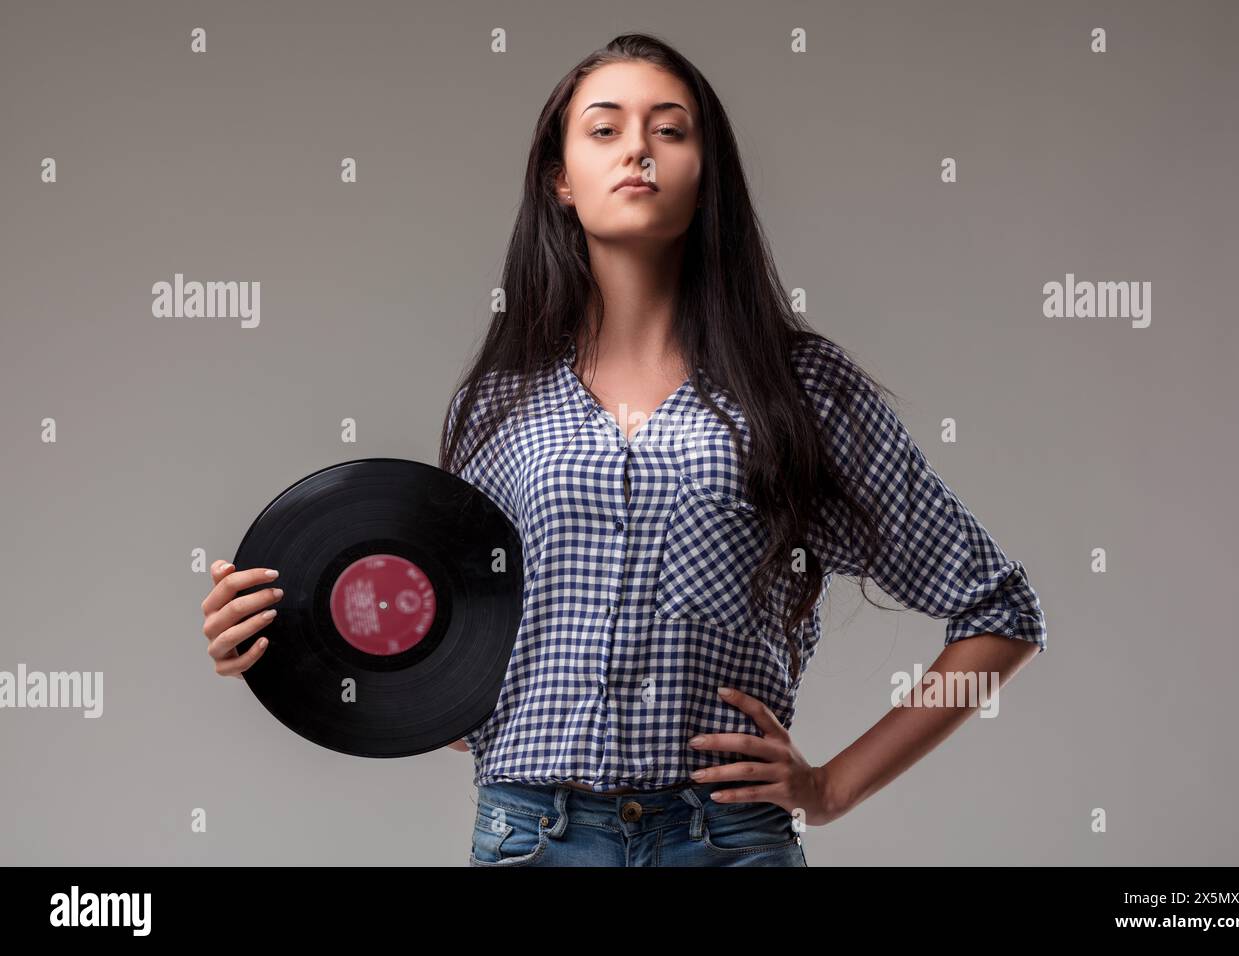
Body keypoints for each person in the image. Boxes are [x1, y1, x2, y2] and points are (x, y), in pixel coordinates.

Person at [200, 33, 1047, 867]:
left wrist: (830, 789)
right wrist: (288, 638)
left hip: (724, 842)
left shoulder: (799, 390)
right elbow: (458, 680)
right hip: (532, 838)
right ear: (561, 179)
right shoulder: (497, 406)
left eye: (670, 130)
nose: (637, 148)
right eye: (605, 129)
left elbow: (999, 611)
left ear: (705, 174)